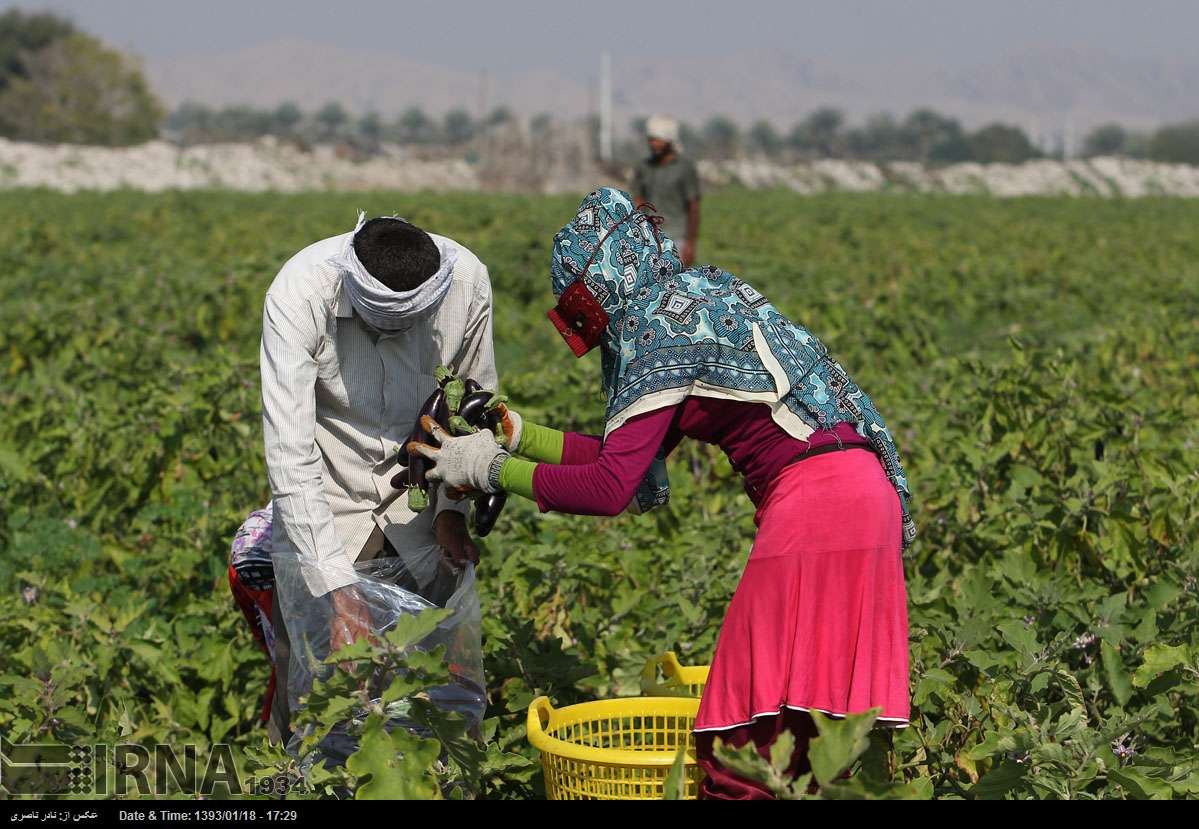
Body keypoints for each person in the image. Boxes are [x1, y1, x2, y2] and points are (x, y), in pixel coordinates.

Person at [413, 187, 914, 799]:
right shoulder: (698, 297)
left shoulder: (655, 330)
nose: (587, 327)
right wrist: (519, 436)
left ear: (599, 283)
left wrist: (492, 472)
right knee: (822, 727)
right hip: (865, 499)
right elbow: (626, 460)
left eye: (581, 304)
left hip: (815, 509)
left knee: (743, 738)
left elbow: (610, 488)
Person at [259, 212, 496, 744]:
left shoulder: (466, 283)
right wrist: (338, 591)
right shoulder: (300, 293)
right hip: (329, 501)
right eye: (378, 325)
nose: (393, 337)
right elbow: (289, 450)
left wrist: (454, 511)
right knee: (321, 693)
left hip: (422, 507)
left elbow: (472, 407)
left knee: (433, 692)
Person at [630, 115, 701, 267]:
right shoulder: (643, 167)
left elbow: (693, 207)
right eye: (650, 140)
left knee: (675, 286)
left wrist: (690, 244)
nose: (653, 144)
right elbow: (637, 201)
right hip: (649, 239)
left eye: (657, 140)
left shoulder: (684, 167)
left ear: (669, 141)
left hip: (676, 238)